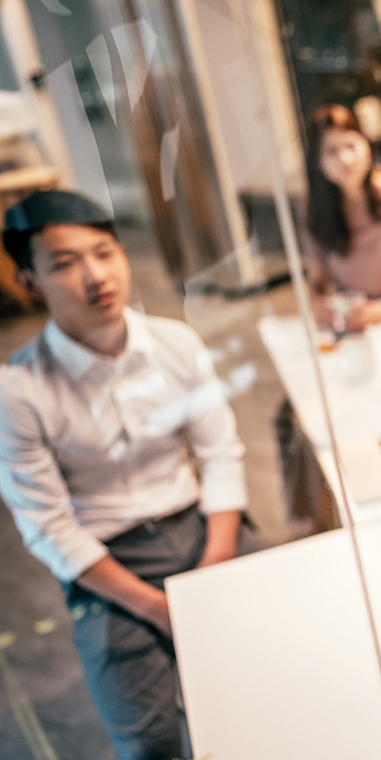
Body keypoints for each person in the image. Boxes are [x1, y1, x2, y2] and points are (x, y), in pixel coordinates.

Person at [0, 190, 250, 760]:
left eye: (105, 253)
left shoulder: (175, 342)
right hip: (111, 564)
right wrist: (161, 608)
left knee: (291, 668)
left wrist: (213, 568)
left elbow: (220, 457)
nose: (95, 276)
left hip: (203, 529)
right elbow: (51, 529)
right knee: (147, 741)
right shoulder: (17, 390)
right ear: (29, 282)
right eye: (64, 264)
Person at [302, 104, 381, 332]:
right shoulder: (318, 211)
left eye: (351, 145)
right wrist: (318, 303)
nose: (345, 158)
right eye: (331, 151)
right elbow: (317, 279)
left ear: (366, 146)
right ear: (318, 162)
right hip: (350, 323)